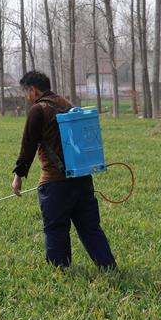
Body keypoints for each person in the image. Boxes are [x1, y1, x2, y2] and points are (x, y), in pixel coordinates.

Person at [12, 71, 117, 270]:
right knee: (90, 228)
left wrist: (18, 176)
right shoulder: (67, 105)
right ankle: (108, 266)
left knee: (56, 229)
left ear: (33, 90)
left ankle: (60, 271)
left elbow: (28, 146)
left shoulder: (39, 109)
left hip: (55, 183)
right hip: (82, 179)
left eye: (26, 92)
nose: (27, 97)